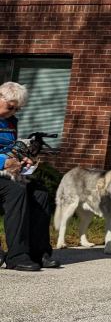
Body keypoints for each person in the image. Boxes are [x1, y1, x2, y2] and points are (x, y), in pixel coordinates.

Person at [0, 81, 59, 271]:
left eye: (17, 110)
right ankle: (16, 256)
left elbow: (10, 147)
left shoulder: (10, 122)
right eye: (11, 107)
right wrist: (3, 163)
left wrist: (22, 157)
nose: (13, 112)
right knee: (16, 192)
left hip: (7, 173)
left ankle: (38, 252)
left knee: (40, 193)